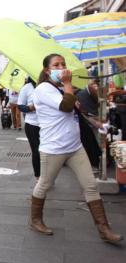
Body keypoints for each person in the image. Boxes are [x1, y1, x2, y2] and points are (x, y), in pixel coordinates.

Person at [30, 54, 122, 244]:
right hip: (53, 148)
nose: (62, 67)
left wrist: (96, 124)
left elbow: (74, 110)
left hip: (74, 147)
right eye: (56, 65)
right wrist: (68, 84)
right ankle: (35, 220)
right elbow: (66, 106)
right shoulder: (43, 89)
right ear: (47, 71)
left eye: (63, 64)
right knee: (44, 185)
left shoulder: (59, 88)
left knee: (90, 185)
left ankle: (104, 229)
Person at [76, 80, 103, 168]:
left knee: (93, 140)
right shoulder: (86, 91)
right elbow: (96, 103)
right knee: (94, 139)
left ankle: (97, 160)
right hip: (89, 118)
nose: (95, 86)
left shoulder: (83, 91)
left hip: (88, 118)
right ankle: (98, 160)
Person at [17, 77, 40, 180]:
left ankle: (48, 176)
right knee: (37, 151)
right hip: (32, 124)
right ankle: (38, 176)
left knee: (49, 152)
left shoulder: (48, 86)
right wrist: (32, 107)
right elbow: (21, 106)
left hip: (48, 124)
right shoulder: (27, 88)